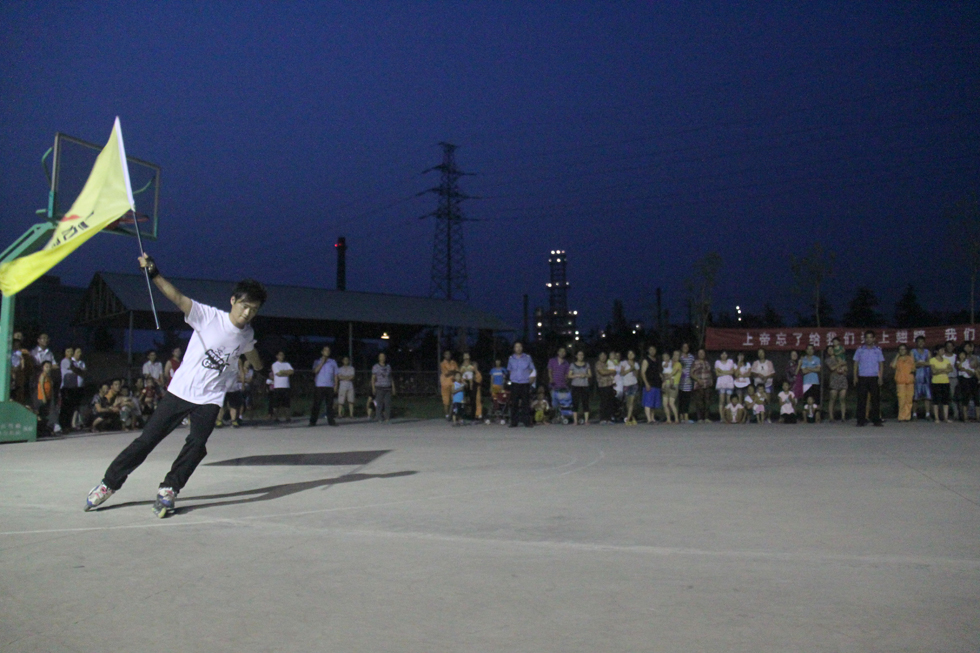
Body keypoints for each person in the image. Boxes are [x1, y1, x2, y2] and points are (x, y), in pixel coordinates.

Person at [84, 254, 266, 517]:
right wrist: (154, 273)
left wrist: (260, 368)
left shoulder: (247, 332)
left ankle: (169, 488)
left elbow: (250, 350)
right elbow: (177, 298)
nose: (247, 313)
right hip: (181, 391)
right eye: (245, 306)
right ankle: (108, 484)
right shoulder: (208, 316)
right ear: (233, 301)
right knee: (147, 440)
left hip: (210, 398)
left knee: (197, 445)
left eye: (254, 309)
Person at [853, 330, 885, 427]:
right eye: (867, 337)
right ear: (864, 339)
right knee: (861, 400)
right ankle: (861, 420)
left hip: (874, 377)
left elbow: (881, 364)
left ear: (874, 339)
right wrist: (855, 376)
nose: (869, 339)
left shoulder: (877, 350)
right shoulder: (860, 350)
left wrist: (880, 377)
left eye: (871, 337)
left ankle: (876, 420)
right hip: (862, 377)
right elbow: (855, 364)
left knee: (875, 400)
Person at [507, 342, 536, 428]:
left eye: (520, 346)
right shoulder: (511, 358)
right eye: (516, 347)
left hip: (525, 383)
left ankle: (526, 421)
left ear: (522, 348)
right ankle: (514, 422)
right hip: (515, 383)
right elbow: (510, 370)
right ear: (514, 348)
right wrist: (513, 377)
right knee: (514, 403)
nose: (518, 348)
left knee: (525, 403)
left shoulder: (527, 357)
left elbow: (532, 369)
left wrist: (528, 377)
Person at [309, 345, 339, 427]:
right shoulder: (317, 361)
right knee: (317, 404)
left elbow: (336, 375)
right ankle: (312, 421)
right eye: (325, 350)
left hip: (329, 386)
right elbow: (315, 371)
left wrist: (336, 385)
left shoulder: (333, 362)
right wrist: (322, 362)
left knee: (330, 405)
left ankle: (331, 421)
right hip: (319, 385)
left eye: (328, 350)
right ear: (322, 352)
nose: (327, 352)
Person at [59, 347, 86, 433]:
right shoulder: (65, 361)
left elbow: (82, 372)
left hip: (73, 387)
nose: (70, 353)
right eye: (68, 351)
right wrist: (80, 370)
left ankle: (68, 425)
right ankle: (63, 426)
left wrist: (80, 371)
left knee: (71, 407)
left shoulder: (73, 362)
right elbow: (75, 370)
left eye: (71, 351)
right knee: (65, 407)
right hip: (66, 387)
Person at [891, 344, 915, 422]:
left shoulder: (910, 358)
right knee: (901, 399)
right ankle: (901, 416)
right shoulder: (897, 359)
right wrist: (897, 356)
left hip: (909, 381)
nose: (902, 351)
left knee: (909, 399)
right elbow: (893, 366)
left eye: (903, 349)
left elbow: (913, 368)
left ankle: (907, 416)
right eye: (900, 349)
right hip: (900, 381)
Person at [929, 346, 953, 423]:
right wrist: (944, 370)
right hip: (936, 382)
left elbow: (950, 369)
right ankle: (936, 418)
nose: (943, 351)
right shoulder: (932, 360)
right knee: (936, 400)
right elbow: (934, 371)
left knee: (945, 400)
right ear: (937, 351)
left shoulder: (946, 360)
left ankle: (946, 417)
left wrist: (939, 370)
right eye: (941, 350)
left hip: (945, 382)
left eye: (943, 350)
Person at [567, 350, 592, 425]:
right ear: (576, 356)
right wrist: (577, 375)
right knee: (575, 402)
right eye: (579, 355)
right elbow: (569, 375)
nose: (580, 356)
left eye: (582, 355)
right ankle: (575, 420)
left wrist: (585, 375)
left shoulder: (587, 364)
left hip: (585, 385)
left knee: (585, 402)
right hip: (575, 385)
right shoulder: (572, 365)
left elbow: (590, 374)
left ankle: (586, 420)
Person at [825, 344, 848, 422]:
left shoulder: (840, 357)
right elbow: (832, 368)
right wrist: (840, 364)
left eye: (831, 349)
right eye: (829, 350)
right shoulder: (828, 360)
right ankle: (831, 416)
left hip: (842, 379)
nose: (830, 351)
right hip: (834, 380)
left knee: (842, 398)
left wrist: (843, 368)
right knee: (833, 398)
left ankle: (843, 416)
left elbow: (846, 367)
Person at [751, 349, 775, 422]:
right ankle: (758, 417)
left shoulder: (769, 362)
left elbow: (773, 373)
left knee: (767, 401)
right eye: (759, 353)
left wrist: (766, 377)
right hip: (758, 385)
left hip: (767, 384)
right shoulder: (755, 363)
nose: (761, 354)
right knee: (758, 401)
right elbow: (752, 373)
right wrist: (759, 375)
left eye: (762, 352)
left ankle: (767, 417)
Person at [270, 351, 294, 422]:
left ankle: (287, 417)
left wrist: (283, 372)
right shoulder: (275, 365)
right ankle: (276, 417)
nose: (282, 356)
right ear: (277, 356)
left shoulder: (287, 364)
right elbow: (278, 374)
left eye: (283, 355)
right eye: (280, 355)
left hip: (286, 386)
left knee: (286, 403)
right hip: (278, 386)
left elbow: (292, 371)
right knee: (276, 403)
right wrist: (286, 372)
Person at [911, 336, 932, 420]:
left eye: (922, 341)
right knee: (915, 397)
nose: (921, 343)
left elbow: (930, 363)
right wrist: (923, 363)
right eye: (919, 341)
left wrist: (920, 363)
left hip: (926, 376)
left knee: (927, 396)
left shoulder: (927, 351)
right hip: (916, 376)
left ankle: (927, 414)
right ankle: (914, 414)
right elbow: (912, 364)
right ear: (916, 343)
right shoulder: (913, 351)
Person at [547, 347, 571, 421]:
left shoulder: (566, 363)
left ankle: (562, 416)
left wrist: (567, 379)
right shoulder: (552, 361)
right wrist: (551, 378)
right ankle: (555, 416)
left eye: (564, 352)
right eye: (561, 351)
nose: (562, 353)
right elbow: (550, 371)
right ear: (558, 352)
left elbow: (567, 374)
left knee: (563, 402)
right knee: (554, 402)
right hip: (554, 385)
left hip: (562, 386)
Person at [957, 342, 978, 421]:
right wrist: (962, 362)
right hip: (963, 379)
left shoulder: (974, 358)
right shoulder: (959, 361)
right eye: (966, 347)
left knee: (976, 397)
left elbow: (974, 367)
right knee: (965, 397)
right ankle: (965, 416)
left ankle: (978, 416)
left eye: (969, 347)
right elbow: (959, 367)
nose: (967, 349)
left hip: (972, 379)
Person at [640, 345, 661, 424]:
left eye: (654, 349)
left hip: (656, 384)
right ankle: (649, 419)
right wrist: (646, 383)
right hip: (649, 384)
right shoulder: (646, 360)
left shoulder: (657, 360)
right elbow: (642, 372)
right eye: (650, 349)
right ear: (648, 350)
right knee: (648, 402)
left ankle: (652, 418)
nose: (652, 351)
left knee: (653, 403)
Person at [691, 348, 713, 423]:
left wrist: (711, 380)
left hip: (707, 384)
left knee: (707, 401)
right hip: (698, 384)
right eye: (700, 353)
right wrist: (697, 380)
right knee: (699, 402)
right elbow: (691, 373)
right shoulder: (695, 363)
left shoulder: (707, 363)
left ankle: (706, 417)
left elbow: (709, 372)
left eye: (702, 353)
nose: (701, 354)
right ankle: (700, 418)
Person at [371, 352, 395, 422]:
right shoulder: (375, 366)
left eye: (383, 357)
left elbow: (390, 377)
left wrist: (393, 387)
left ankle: (387, 418)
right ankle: (379, 417)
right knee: (379, 403)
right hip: (379, 387)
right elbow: (373, 378)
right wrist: (373, 388)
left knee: (388, 403)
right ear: (379, 358)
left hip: (387, 387)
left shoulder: (388, 366)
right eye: (381, 357)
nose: (382, 358)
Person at [460, 352, 483, 421]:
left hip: (473, 384)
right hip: (464, 384)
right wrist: (463, 381)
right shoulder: (462, 366)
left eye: (467, 356)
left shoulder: (472, 365)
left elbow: (476, 374)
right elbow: (460, 375)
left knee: (473, 400)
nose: (466, 357)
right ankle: (463, 415)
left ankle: (473, 416)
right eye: (465, 356)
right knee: (464, 400)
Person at [594, 352, 616, 424]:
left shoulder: (608, 363)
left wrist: (610, 371)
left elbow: (614, 371)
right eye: (601, 356)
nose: (603, 357)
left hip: (610, 384)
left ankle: (609, 418)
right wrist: (611, 371)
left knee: (610, 402)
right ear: (599, 357)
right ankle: (603, 418)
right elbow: (602, 372)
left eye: (604, 355)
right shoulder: (598, 364)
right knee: (604, 402)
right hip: (602, 385)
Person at [619, 350, 640, 425]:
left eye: (632, 353)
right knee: (628, 402)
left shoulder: (636, 364)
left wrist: (634, 369)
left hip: (634, 384)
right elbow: (622, 373)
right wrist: (630, 369)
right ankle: (631, 417)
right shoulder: (623, 363)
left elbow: (637, 375)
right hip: (626, 384)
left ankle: (628, 419)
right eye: (629, 354)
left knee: (632, 401)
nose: (631, 355)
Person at [35, 360, 55, 436]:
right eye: (46, 367)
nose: (48, 368)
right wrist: (44, 397)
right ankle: (40, 429)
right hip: (42, 397)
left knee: (46, 413)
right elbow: (41, 387)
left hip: (48, 397)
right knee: (41, 413)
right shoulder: (42, 375)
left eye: (49, 367)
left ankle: (43, 429)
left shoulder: (48, 376)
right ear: (43, 367)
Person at [661, 351, 681, 425]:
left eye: (677, 355)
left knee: (671, 403)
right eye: (674, 355)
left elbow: (673, 373)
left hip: (674, 385)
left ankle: (676, 419)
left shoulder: (678, 364)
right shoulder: (670, 364)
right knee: (665, 403)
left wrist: (665, 377)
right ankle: (668, 419)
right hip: (666, 384)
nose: (675, 356)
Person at [677, 343, 694, 424]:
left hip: (688, 380)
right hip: (679, 380)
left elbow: (692, 367)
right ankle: (681, 416)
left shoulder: (691, 357)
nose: (685, 348)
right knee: (681, 399)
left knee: (687, 399)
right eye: (684, 347)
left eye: (687, 347)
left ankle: (686, 416)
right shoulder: (679, 356)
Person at [943, 341, 960, 421]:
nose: (949, 347)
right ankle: (944, 415)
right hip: (944, 378)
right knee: (945, 396)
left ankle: (956, 414)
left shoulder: (956, 356)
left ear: (953, 347)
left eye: (951, 346)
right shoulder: (942, 356)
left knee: (952, 396)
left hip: (953, 378)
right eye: (948, 346)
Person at [439, 351, 459, 420]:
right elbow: (446, 373)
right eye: (447, 354)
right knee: (446, 401)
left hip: (453, 383)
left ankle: (454, 414)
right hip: (445, 384)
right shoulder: (442, 363)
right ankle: (447, 415)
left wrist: (452, 372)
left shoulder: (453, 362)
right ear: (444, 355)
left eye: (449, 354)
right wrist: (453, 371)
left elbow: (458, 371)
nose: (448, 355)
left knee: (455, 399)